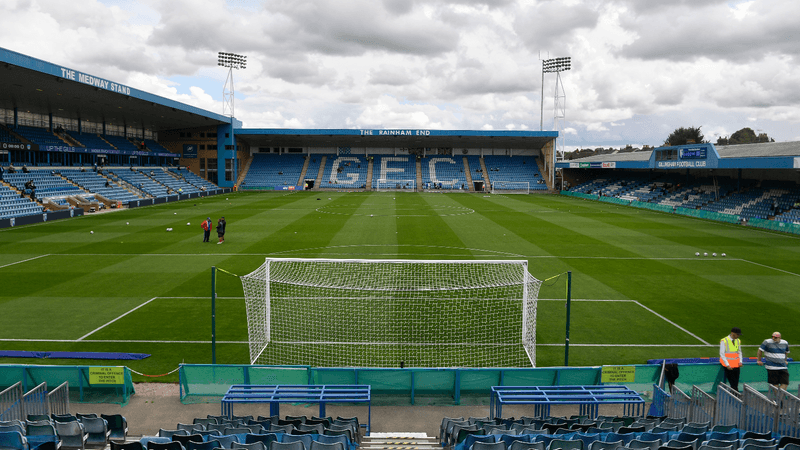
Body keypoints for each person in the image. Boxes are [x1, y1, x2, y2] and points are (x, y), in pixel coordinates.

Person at [720, 327, 743, 391]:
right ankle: (736, 396)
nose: (738, 336)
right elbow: (722, 353)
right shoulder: (724, 340)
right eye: (737, 334)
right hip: (728, 365)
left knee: (735, 383)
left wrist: (740, 361)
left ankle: (735, 395)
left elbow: (739, 352)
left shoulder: (738, 341)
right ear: (732, 333)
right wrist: (727, 365)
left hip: (736, 364)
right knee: (733, 383)